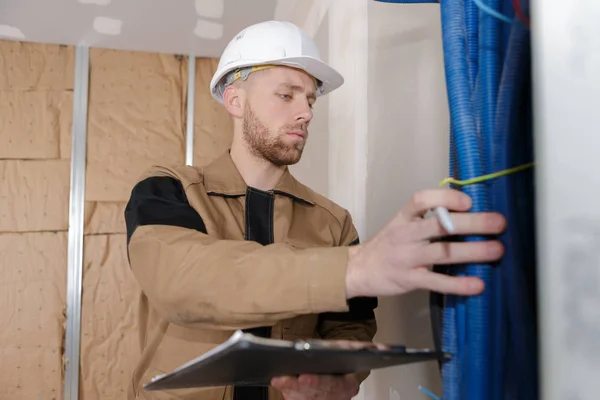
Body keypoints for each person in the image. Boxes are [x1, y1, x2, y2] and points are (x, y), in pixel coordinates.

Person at [124, 20, 506, 400]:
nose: (306, 112)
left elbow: (350, 329)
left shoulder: (333, 223)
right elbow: (181, 280)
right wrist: (353, 268)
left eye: (310, 100)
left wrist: (342, 371)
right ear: (235, 100)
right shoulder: (168, 190)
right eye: (287, 95)